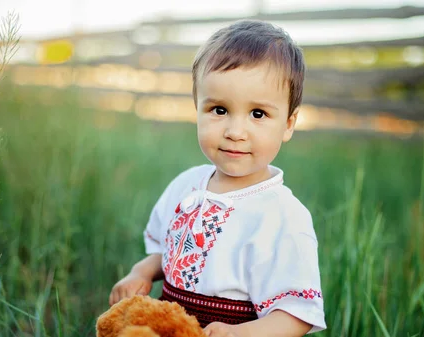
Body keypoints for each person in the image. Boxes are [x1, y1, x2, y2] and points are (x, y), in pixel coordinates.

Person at [109, 19, 326, 337]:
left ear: (289, 123)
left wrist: (240, 334)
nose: (235, 132)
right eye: (220, 110)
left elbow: (297, 314)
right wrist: (140, 272)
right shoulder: (186, 186)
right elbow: (167, 252)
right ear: (197, 108)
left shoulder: (283, 216)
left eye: (258, 114)